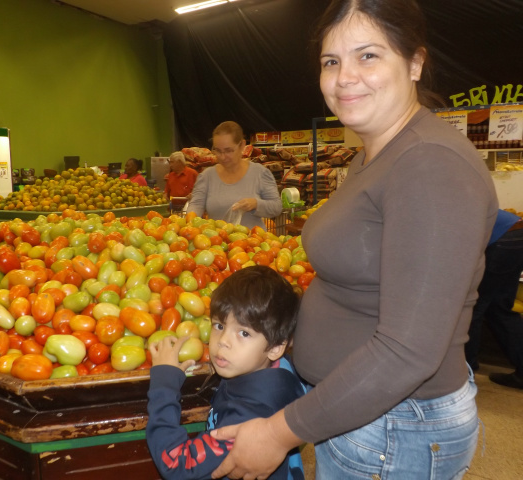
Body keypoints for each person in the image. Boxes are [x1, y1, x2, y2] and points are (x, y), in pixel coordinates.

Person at [210, 1, 499, 479]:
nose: (344, 77)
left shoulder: (429, 164)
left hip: (396, 428)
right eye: (331, 61)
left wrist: (281, 432)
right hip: (365, 417)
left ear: (414, 62)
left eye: (368, 56)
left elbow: (410, 349)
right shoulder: (375, 156)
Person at [146, 265, 307, 479]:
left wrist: (164, 382)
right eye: (219, 326)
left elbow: (177, 464)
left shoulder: (246, 419)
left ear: (276, 347)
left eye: (244, 333)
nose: (223, 342)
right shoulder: (280, 368)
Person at [465, 209, 523, 389]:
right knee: (499, 309)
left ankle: (467, 374)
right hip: (516, 234)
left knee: (473, 308)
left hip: (503, 239)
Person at [186, 121, 282, 229]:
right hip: (218, 243)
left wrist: (256, 204)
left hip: (254, 243)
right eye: (217, 150)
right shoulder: (207, 176)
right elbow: (196, 205)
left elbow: (276, 207)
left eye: (228, 150)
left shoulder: (260, 173)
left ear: (242, 145)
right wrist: (190, 222)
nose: (222, 157)